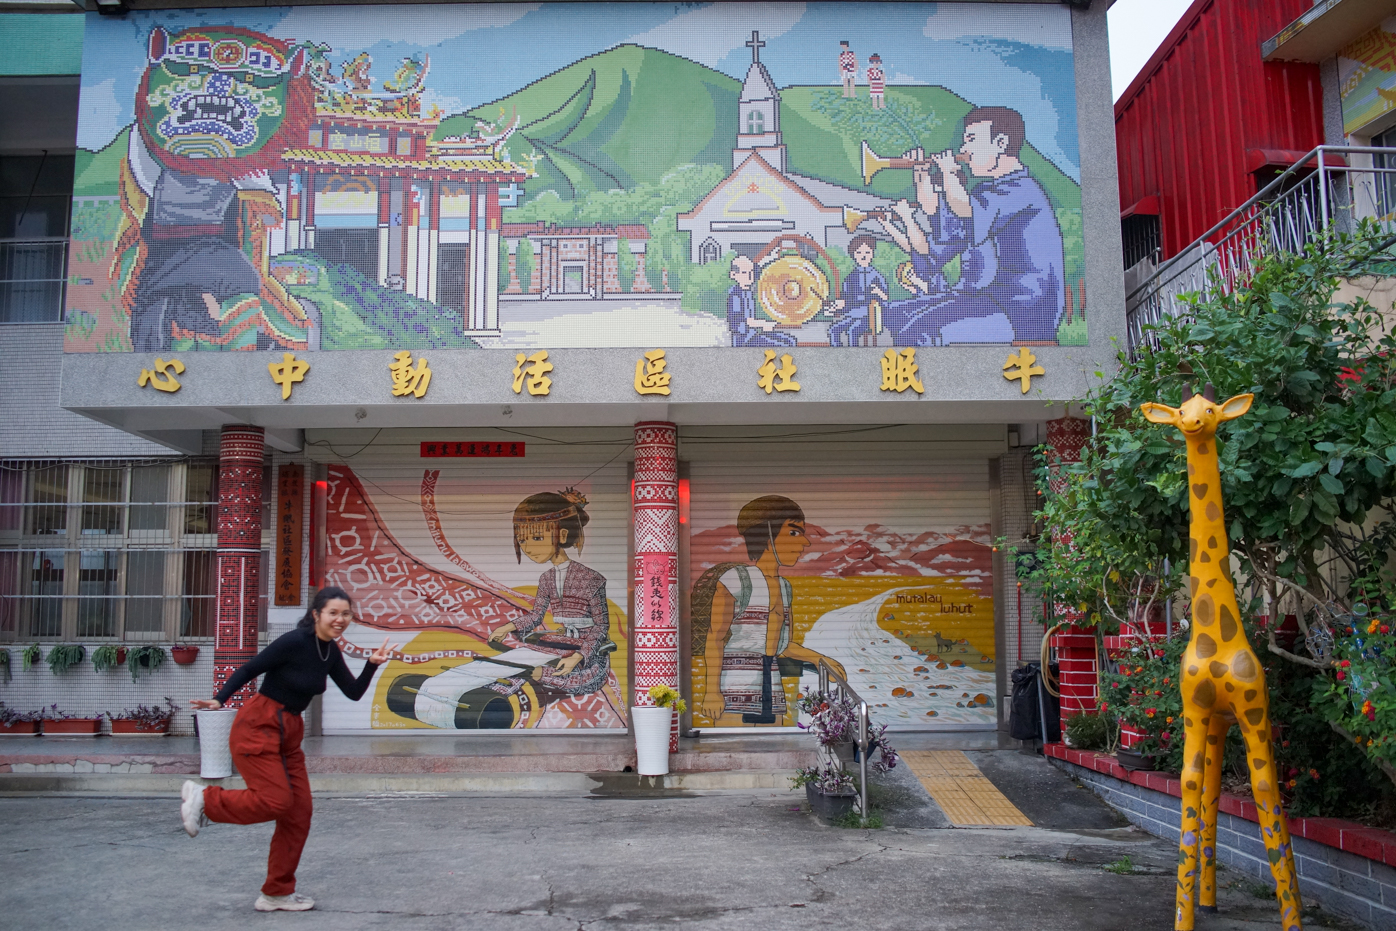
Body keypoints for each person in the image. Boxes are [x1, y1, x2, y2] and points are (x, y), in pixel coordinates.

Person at [182, 586, 394, 912]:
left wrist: (371, 664)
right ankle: (206, 799)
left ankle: (276, 892)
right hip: (259, 725)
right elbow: (250, 668)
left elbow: (352, 692)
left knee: (299, 813)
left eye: (346, 614)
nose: (340, 619)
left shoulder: (330, 651)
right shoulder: (295, 643)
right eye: (333, 613)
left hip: (289, 733)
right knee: (276, 800)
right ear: (316, 615)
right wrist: (219, 699)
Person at [880, 106, 1066, 346]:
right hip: (994, 300)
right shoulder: (987, 192)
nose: (963, 150)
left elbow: (964, 210)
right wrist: (922, 174)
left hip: (1024, 313)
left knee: (921, 332)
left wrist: (948, 172)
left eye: (971, 140)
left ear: (1000, 143)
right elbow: (947, 227)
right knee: (902, 318)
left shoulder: (1021, 190)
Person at [692, 495, 846, 726]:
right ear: (765, 535)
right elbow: (715, 638)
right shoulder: (737, 580)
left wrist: (818, 658)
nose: (806, 543)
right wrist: (712, 693)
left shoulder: (785, 587)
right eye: (794, 533)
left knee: (773, 739)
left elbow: (781, 645)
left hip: (771, 686)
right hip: (735, 688)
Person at [487, 489, 616, 700]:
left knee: (564, 677)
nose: (528, 548)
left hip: (591, 657)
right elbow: (536, 616)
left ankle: (528, 678)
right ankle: (495, 691)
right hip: (560, 645)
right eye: (522, 540)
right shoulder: (546, 579)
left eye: (537, 537)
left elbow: (601, 626)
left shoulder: (592, 578)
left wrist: (578, 656)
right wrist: (507, 627)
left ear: (562, 535)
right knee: (521, 665)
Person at [829, 234, 889, 347]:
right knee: (833, 330)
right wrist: (839, 305)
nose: (863, 256)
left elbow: (886, 298)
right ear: (853, 255)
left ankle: (854, 356)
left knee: (852, 331)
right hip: (853, 313)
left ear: (872, 253)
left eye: (867, 252)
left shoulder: (876, 275)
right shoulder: (851, 276)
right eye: (859, 253)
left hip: (869, 315)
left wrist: (878, 292)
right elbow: (846, 297)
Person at [726, 255, 796, 348]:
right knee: (783, 345)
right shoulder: (735, 295)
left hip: (754, 335)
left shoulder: (749, 293)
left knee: (790, 340)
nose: (749, 276)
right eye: (744, 272)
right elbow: (739, 321)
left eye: (751, 271)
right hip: (745, 340)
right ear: (733, 275)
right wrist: (763, 324)